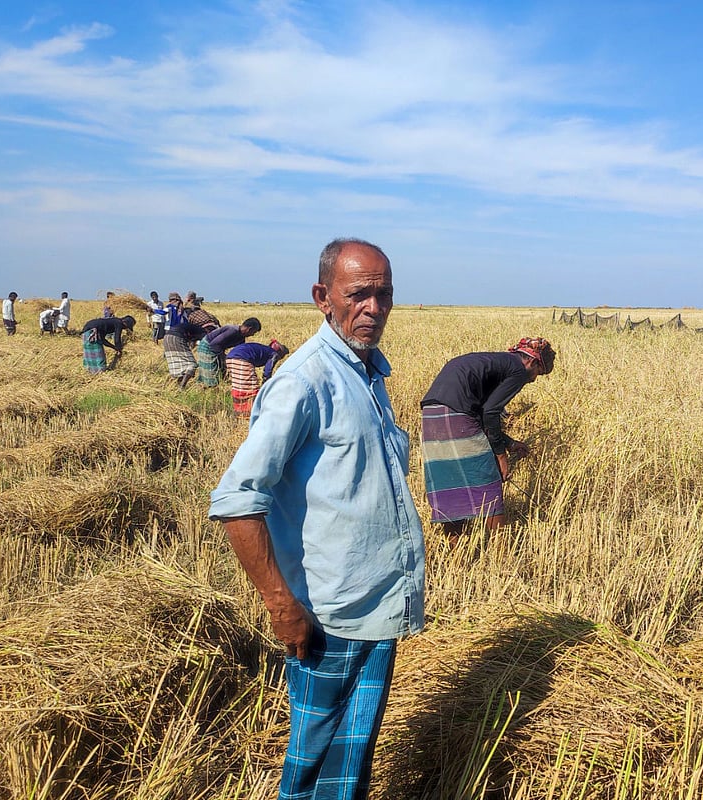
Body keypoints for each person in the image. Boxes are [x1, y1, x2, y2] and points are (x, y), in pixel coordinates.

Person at [208, 238, 424, 799]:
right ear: (323, 297)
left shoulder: (368, 374)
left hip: (375, 608)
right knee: (312, 770)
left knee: (348, 767)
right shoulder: (305, 380)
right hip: (326, 617)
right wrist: (282, 605)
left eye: (384, 294)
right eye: (359, 294)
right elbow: (237, 499)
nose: (374, 308)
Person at [420, 337, 556, 536]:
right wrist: (501, 457)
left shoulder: (496, 362)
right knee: (489, 482)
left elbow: (481, 414)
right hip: (457, 412)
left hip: (431, 413)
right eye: (539, 373)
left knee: (451, 485)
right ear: (532, 362)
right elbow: (491, 413)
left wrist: (509, 443)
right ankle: (500, 552)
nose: (534, 379)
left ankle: (455, 555)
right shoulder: (518, 371)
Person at [224, 338, 289, 417]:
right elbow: (268, 371)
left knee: (238, 385)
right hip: (241, 358)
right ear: (280, 352)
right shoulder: (274, 354)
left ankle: (239, 410)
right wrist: (265, 385)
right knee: (251, 387)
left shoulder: (265, 350)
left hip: (230, 358)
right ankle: (250, 412)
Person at [197, 317, 261, 387]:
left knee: (221, 370)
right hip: (208, 346)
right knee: (211, 371)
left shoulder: (241, 338)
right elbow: (214, 344)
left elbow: (238, 352)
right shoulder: (232, 330)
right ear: (249, 329)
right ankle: (210, 388)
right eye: (253, 332)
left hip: (217, 349)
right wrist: (223, 358)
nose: (252, 335)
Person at [163, 320, 205, 389]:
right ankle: (182, 386)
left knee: (177, 365)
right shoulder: (203, 332)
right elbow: (203, 344)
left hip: (166, 338)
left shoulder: (193, 328)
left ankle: (176, 386)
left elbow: (192, 343)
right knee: (192, 365)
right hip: (176, 338)